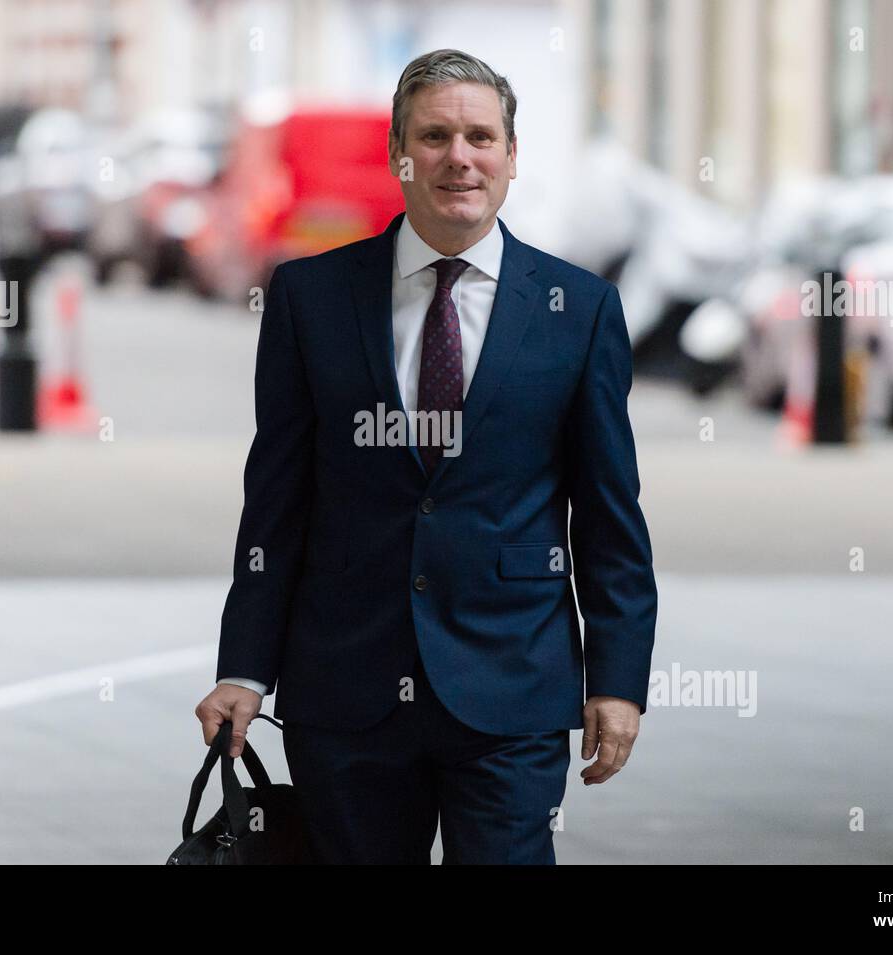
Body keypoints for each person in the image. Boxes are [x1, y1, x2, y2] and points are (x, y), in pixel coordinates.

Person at [195, 48, 658, 864]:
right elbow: (275, 502)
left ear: (512, 158)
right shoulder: (311, 298)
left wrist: (616, 680)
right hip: (346, 692)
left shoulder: (577, 309)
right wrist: (245, 667)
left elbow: (610, 513)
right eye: (435, 135)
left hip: (513, 689)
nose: (459, 157)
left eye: (481, 136)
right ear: (399, 155)